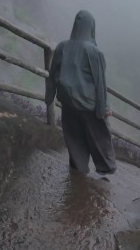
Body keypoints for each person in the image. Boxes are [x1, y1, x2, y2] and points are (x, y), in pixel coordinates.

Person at [45, 10, 116, 177]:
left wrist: (49, 96)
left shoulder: (62, 47)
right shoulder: (94, 52)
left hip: (68, 103)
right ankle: (105, 169)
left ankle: (79, 168)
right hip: (88, 105)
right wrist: (104, 107)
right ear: (92, 28)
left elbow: (53, 73)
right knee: (99, 137)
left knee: (74, 136)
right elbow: (100, 83)